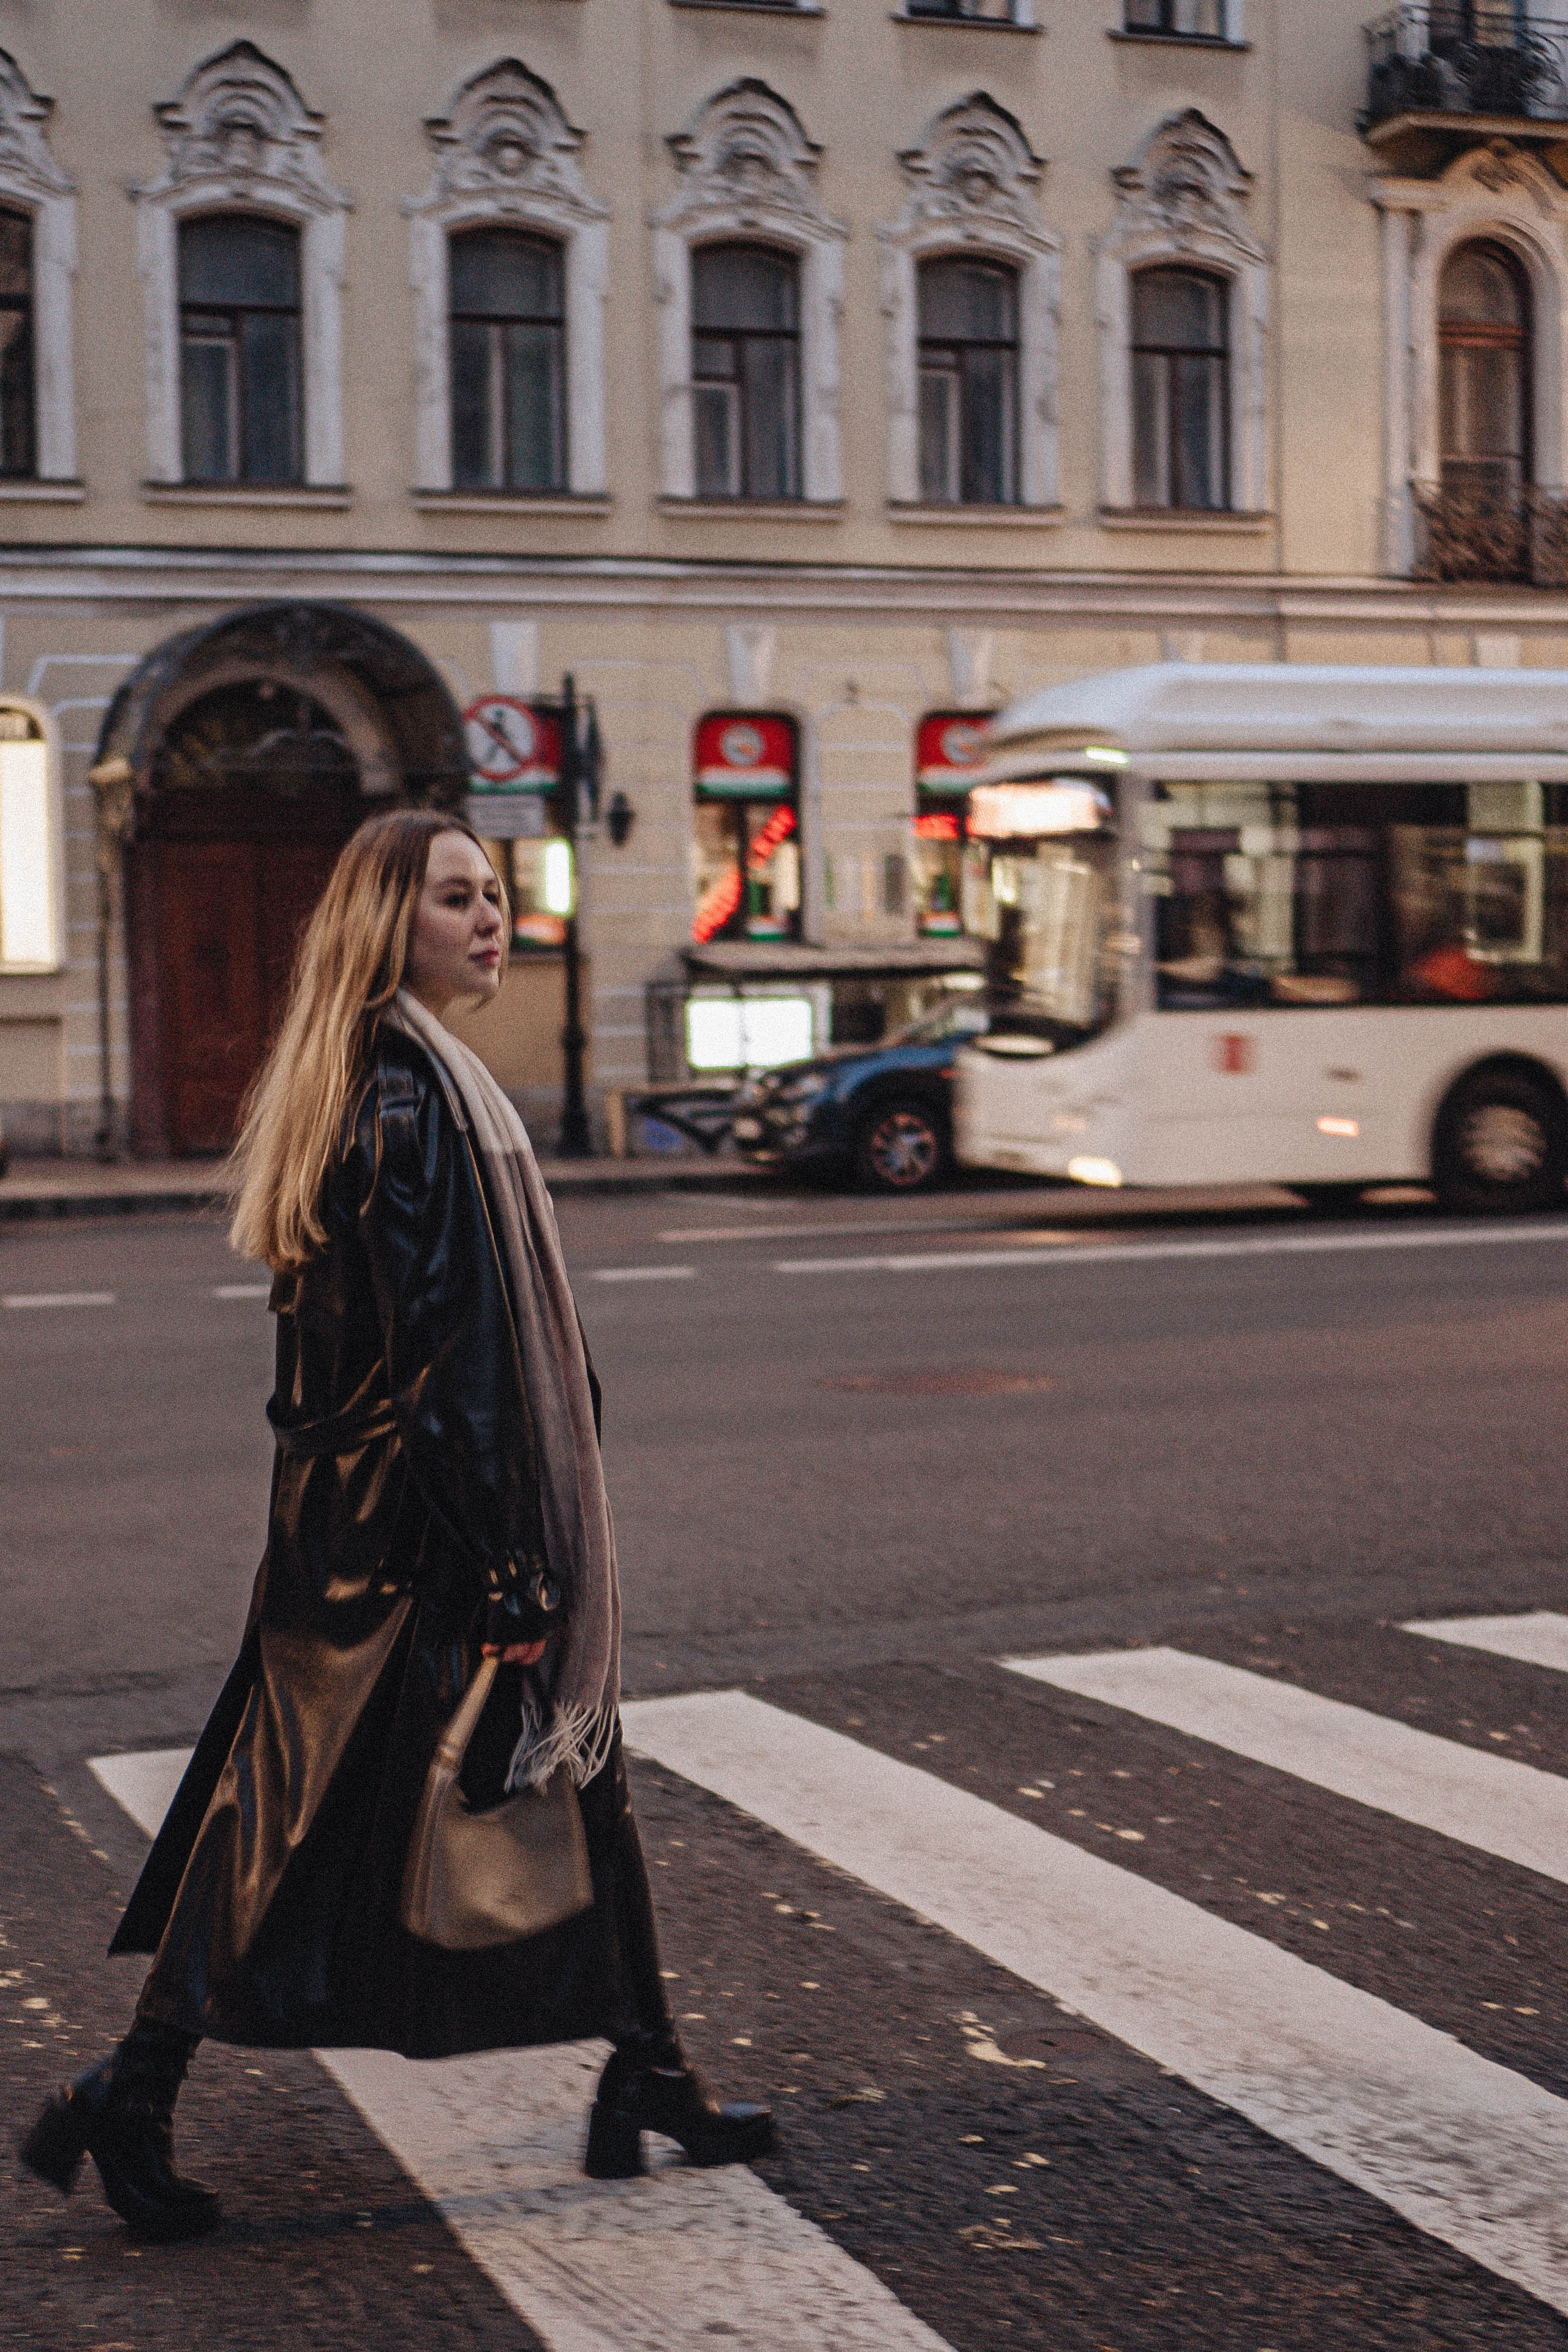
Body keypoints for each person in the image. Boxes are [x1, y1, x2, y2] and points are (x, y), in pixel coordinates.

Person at [19, 807, 773, 2242]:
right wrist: (507, 1561)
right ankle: (132, 2086)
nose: (488, 918)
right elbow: (449, 1362)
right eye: (454, 898)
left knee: (480, 1788)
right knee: (301, 1821)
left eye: (496, 894)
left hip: (345, 1527)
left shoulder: (372, 1078)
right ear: (387, 923)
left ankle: (649, 2071)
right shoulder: (417, 1105)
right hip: (411, 1536)